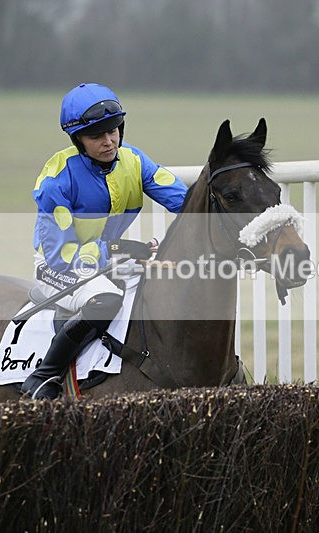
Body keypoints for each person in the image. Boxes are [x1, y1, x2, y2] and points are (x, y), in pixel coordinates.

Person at [21, 83, 188, 399]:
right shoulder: (57, 177)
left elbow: (186, 202)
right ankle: (44, 377)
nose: (109, 141)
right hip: (57, 266)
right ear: (78, 140)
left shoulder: (134, 161)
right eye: (97, 136)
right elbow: (60, 254)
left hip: (107, 261)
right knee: (106, 299)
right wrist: (120, 249)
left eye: (113, 131)